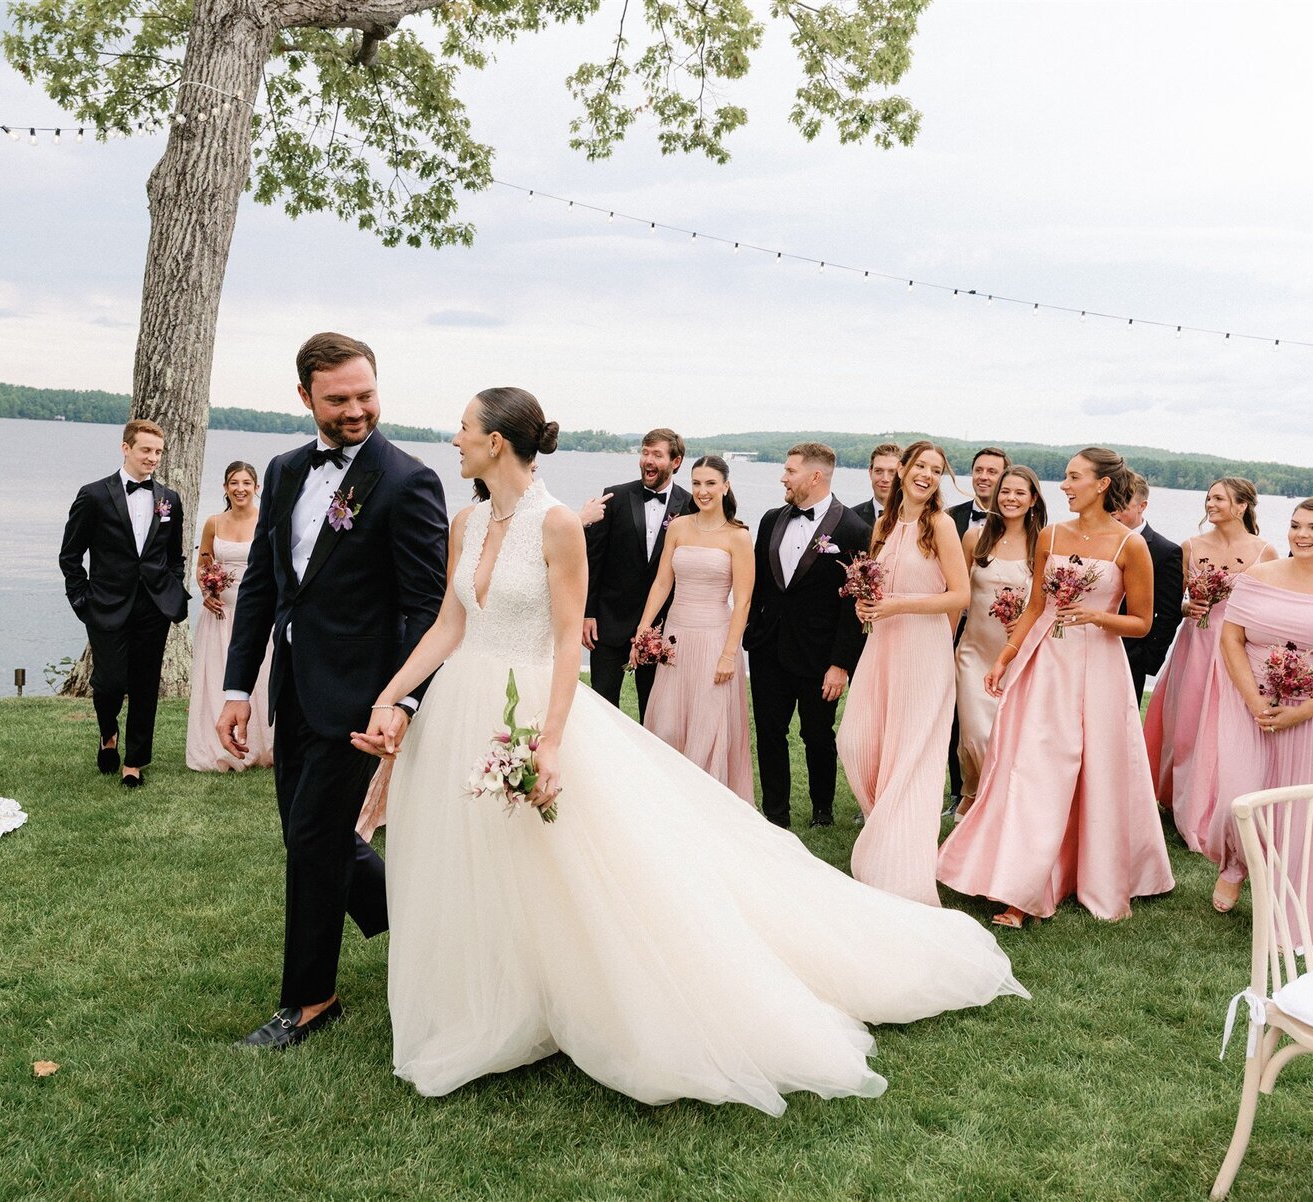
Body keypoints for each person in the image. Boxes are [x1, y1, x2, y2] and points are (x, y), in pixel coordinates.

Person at [350, 388, 1027, 1115]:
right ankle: (489, 985)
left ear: (495, 442)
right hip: (463, 703)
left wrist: (549, 741)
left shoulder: (557, 524)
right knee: (476, 847)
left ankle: (554, 992)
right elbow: (450, 624)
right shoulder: (467, 521)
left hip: (535, 706)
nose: (454, 439)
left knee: (568, 858)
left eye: (463, 429)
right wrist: (392, 697)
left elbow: (565, 642)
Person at [217, 332, 448, 1050]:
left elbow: (427, 607)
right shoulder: (284, 470)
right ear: (304, 397)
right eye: (338, 399)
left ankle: (311, 1000)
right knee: (309, 834)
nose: (355, 410)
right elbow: (264, 585)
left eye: (366, 395)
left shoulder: (408, 481)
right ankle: (431, 925)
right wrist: (237, 687)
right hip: (293, 689)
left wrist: (400, 701)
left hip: (363, 697)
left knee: (314, 840)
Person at [936, 448, 1174, 928]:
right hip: (1044, 665)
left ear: (1101, 484)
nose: (1064, 485)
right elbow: (1035, 607)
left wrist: (1097, 616)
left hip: (1099, 671)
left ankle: (1082, 870)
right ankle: (1019, 883)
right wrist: (1006, 657)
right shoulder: (1051, 535)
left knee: (1093, 771)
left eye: (1073, 477)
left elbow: (1142, 622)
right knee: (1033, 768)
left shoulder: (1131, 545)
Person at [1187, 497, 1313, 952]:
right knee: (1239, 795)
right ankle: (1235, 863)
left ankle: (1292, 902)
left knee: (1300, 809)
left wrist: (1305, 708)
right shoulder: (1258, 576)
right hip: (1249, 702)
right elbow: (1231, 639)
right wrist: (1252, 698)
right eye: (1295, 525)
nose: (1301, 535)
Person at [838, 442, 971, 904]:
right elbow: (879, 586)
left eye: (936, 470)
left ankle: (900, 861)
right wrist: (866, 605)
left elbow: (961, 596)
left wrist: (898, 605)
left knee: (910, 753)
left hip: (923, 649)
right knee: (856, 741)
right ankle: (885, 832)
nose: (927, 475)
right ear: (902, 470)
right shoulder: (883, 524)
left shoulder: (941, 525)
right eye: (921, 466)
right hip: (883, 647)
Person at [743, 443, 871, 829]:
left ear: (815, 476)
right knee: (769, 732)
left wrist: (840, 664)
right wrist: (751, 630)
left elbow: (854, 605)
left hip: (819, 656)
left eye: (790, 471)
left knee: (816, 734)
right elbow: (760, 583)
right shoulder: (771, 519)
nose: (783, 477)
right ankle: (775, 814)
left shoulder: (854, 529)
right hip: (768, 648)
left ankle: (822, 811)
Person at [58, 418, 192, 788]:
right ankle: (108, 732)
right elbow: (70, 556)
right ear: (126, 448)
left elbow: (175, 555)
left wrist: (172, 589)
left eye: (158, 452)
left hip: (154, 606)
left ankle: (134, 762)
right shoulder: (94, 495)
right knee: (109, 683)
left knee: (146, 686)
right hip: (105, 605)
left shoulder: (169, 499)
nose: (153, 458)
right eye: (146, 450)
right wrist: (82, 600)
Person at [1143, 477, 1275, 848]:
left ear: (1241, 506)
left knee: (1222, 727)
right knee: (1185, 726)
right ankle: (1178, 797)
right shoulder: (1192, 546)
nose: (1210, 504)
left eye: (1219, 498)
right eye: (1209, 498)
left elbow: (1270, 608)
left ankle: (1213, 805)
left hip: (1236, 647)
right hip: (1196, 645)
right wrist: (1188, 608)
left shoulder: (1265, 552)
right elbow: (1173, 602)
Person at [633, 455, 756, 802]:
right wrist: (643, 630)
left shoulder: (739, 537)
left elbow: (743, 602)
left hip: (715, 638)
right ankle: (666, 798)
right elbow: (662, 583)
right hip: (676, 637)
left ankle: (705, 803)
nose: (703, 491)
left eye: (711, 483)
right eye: (697, 483)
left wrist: (729, 655)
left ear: (726, 486)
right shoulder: (678, 527)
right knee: (668, 722)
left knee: (706, 724)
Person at [952, 465, 1047, 819]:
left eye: (1020, 492)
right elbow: (957, 596)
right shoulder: (975, 538)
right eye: (1005, 491)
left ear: (1033, 499)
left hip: (1018, 655)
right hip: (973, 653)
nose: (1010, 498)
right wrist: (946, 642)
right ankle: (974, 794)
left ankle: (996, 808)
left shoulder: (1044, 543)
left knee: (1008, 736)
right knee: (976, 735)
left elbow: (1045, 605)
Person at [583, 429, 695, 719]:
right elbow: (593, 560)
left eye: (657, 454)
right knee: (602, 709)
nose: (648, 460)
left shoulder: (690, 506)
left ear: (676, 462)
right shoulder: (615, 496)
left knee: (655, 713)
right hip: (608, 624)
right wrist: (587, 613)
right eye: (645, 452)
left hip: (661, 629)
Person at [186, 461, 275, 772]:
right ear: (225, 487)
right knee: (217, 678)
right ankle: (217, 746)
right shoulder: (213, 523)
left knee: (260, 677)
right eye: (234, 483)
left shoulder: (266, 521)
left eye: (246, 483)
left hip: (258, 615)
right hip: (220, 614)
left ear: (256, 488)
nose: (240, 489)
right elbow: (203, 564)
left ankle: (262, 745)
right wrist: (206, 591)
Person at [1117, 472, 1184, 702]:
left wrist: (1146, 660)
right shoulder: (1094, 541)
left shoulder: (1165, 551)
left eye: (1121, 505)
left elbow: (1169, 613)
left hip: (1131, 658)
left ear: (1142, 506)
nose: (1114, 511)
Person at [947, 446, 1009, 539]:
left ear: (1005, 478)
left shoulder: (1013, 520)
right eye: (978, 470)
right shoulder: (950, 516)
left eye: (992, 472)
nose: (983, 477)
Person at [851, 442, 902, 526]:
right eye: (878, 471)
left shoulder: (917, 518)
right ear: (870, 472)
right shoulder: (852, 518)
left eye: (892, 472)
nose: (885, 479)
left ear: (902, 475)